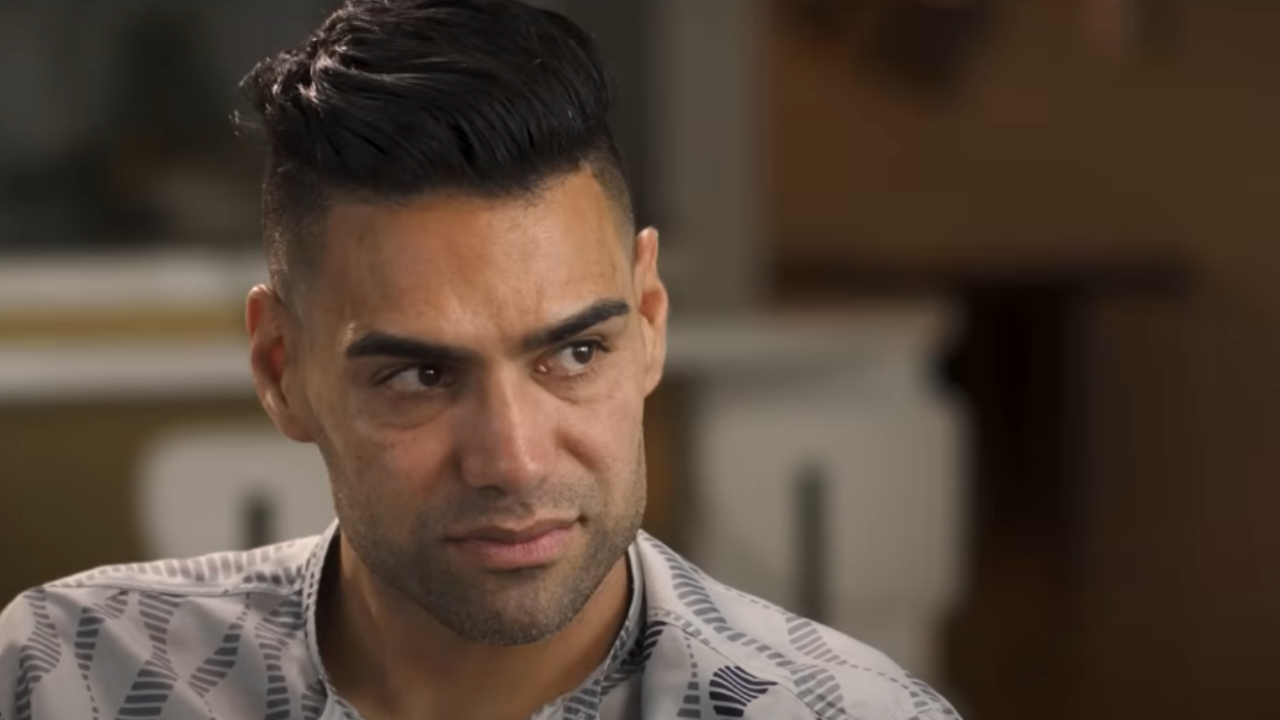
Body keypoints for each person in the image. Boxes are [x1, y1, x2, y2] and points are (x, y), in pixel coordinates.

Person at [0, 1, 961, 718]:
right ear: (281, 368)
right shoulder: (69, 676)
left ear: (649, 321)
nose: (515, 460)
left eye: (575, 353)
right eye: (421, 376)